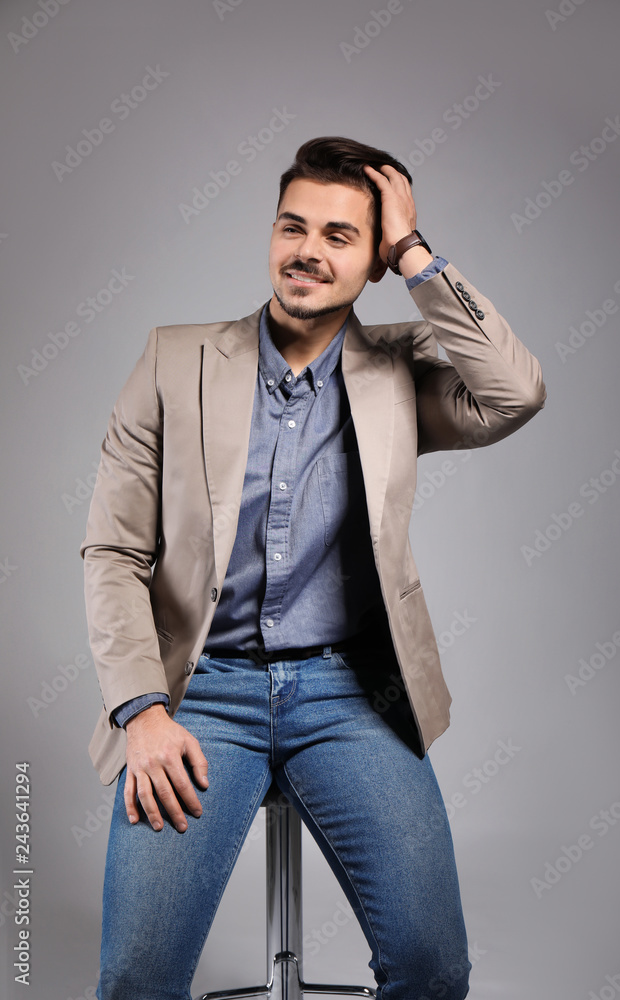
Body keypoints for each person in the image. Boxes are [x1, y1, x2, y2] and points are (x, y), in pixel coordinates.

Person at [80, 136, 546, 1000]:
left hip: (349, 696)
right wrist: (139, 709)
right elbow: (112, 551)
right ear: (270, 234)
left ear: (371, 262)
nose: (307, 251)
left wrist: (415, 253)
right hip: (196, 695)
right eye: (293, 227)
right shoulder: (173, 360)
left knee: (430, 971)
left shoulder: (398, 371)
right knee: (136, 979)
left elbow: (513, 392)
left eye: (340, 236)